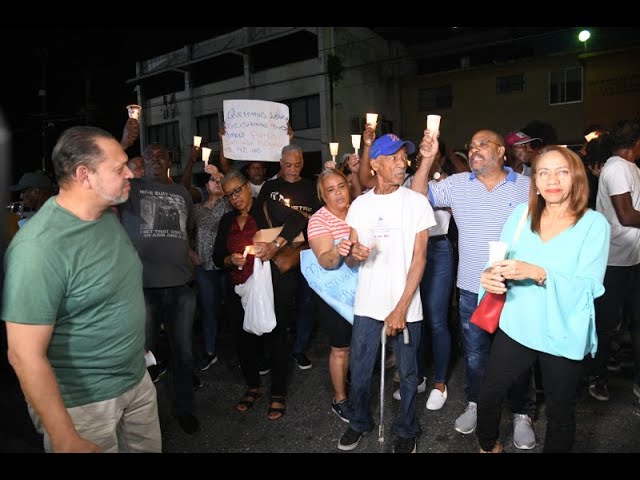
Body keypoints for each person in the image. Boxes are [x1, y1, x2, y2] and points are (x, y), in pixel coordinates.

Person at [2, 126, 161, 452]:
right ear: (84, 175)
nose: (130, 171)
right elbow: (23, 355)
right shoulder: (39, 249)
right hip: (85, 405)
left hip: (136, 382)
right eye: (119, 168)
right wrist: (64, 436)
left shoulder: (105, 217)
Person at [476, 146, 610, 453]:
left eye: (562, 172)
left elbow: (590, 286)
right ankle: (488, 446)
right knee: (489, 394)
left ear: (576, 178)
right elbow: (497, 263)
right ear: (534, 180)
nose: (553, 180)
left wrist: (540, 273)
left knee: (560, 414)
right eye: (543, 172)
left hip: (563, 330)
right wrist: (488, 278)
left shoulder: (594, 225)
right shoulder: (520, 216)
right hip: (518, 323)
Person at [411, 128, 535, 449]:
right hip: (470, 289)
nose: (475, 148)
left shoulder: (527, 187)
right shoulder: (456, 185)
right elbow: (416, 194)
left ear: (501, 152)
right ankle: (476, 404)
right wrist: (426, 159)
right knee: (476, 355)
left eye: (483, 144)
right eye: (471, 145)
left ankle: (523, 412)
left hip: (517, 287)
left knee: (520, 354)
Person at [337, 133, 435, 454]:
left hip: (406, 306)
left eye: (403, 156)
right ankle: (360, 421)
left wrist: (401, 308)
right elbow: (353, 256)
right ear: (375, 164)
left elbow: (420, 259)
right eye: (393, 157)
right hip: (368, 304)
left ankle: (407, 428)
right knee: (361, 370)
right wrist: (353, 253)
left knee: (407, 374)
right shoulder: (360, 205)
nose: (402, 162)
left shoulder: (417, 202)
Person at [119, 142, 200, 435]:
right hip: (143, 288)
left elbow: (186, 229)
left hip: (181, 286)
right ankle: (137, 418)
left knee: (184, 354)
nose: (154, 158)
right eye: (148, 155)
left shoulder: (180, 193)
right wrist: (124, 141)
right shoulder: (131, 189)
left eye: (160, 154)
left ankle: (184, 409)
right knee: (142, 354)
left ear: (169, 160)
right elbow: (108, 176)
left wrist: (189, 252)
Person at [214, 170, 307, 420]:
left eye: (237, 191)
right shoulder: (226, 221)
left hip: (271, 284)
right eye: (228, 195)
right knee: (243, 339)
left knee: (276, 336)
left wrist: (275, 244)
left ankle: (278, 393)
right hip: (239, 287)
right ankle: (252, 387)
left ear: (247, 187)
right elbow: (216, 257)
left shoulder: (266, 206)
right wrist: (229, 259)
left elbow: (299, 221)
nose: (234, 198)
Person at [589, 119, 640, 402]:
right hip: (614, 260)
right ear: (635, 142)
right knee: (607, 324)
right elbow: (626, 215)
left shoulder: (628, 167)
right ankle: (598, 378)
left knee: (634, 321)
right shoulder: (618, 168)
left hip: (632, 258)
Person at [306, 168, 354, 422]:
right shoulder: (318, 220)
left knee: (359, 344)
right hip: (334, 295)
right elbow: (325, 260)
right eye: (331, 190)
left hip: (362, 290)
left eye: (342, 186)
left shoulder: (358, 210)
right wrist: (338, 250)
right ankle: (340, 399)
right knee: (341, 348)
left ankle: (352, 382)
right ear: (323, 196)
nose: (338, 194)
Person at [188, 169, 233, 370]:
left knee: (233, 309)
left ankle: (240, 348)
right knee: (208, 309)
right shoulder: (196, 209)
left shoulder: (228, 204)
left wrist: (222, 178)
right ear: (206, 186)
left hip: (226, 264)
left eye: (218, 181)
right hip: (205, 266)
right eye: (212, 181)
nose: (215, 183)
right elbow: (185, 231)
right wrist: (190, 252)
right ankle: (209, 351)